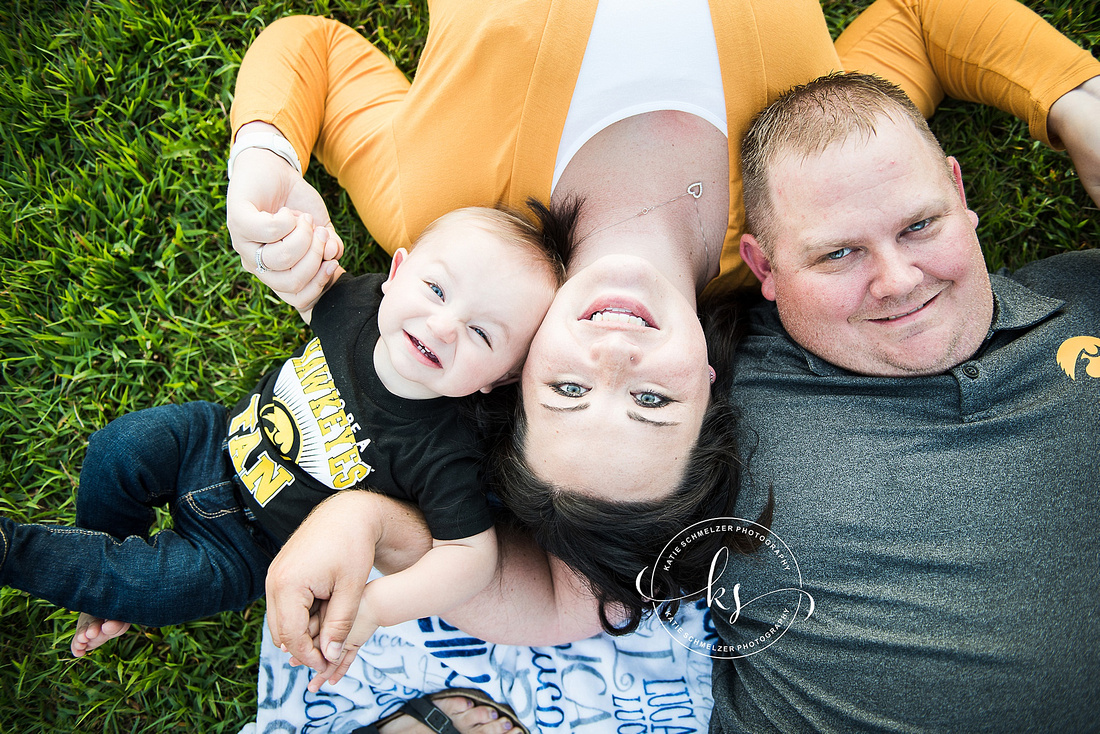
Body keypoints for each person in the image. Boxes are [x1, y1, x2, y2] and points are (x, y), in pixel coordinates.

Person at [226, 0, 1100, 731]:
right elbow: (911, 23)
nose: (614, 355)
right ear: (714, 384)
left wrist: (262, 162)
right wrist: (1079, 99)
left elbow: (319, 51)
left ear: (518, 371)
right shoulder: (807, 189)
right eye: (650, 398)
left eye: (568, 390)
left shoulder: (442, 213)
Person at [704, 70, 1100, 731]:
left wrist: (1073, 102)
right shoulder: (706, 395)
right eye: (838, 254)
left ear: (959, 190)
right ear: (764, 267)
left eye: (919, 225)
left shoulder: (1088, 292)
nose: (897, 280)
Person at [0, 203, 565, 661]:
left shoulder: (444, 449)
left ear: (502, 378)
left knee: (153, 590)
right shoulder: (355, 306)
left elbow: (471, 557)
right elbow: (300, 282)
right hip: (212, 442)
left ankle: (25, 555)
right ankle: (103, 562)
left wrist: (376, 605)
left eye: (482, 334)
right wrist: (292, 244)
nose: (442, 327)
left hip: (250, 549)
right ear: (396, 275)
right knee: (117, 448)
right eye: (436, 291)